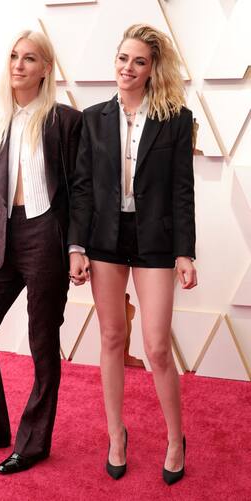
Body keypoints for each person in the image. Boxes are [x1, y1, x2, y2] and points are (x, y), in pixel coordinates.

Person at [0, 29, 81, 475]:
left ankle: (34, 443)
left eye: (29, 58)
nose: (18, 64)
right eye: (13, 56)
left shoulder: (64, 120)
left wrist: (76, 245)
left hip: (47, 236)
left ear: (46, 68)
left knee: (43, 342)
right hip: (4, 238)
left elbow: (81, 192)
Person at [68, 24, 197, 484]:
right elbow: (82, 187)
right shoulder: (93, 117)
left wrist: (185, 253)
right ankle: (116, 434)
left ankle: (176, 438)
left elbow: (183, 191)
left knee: (157, 347)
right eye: (123, 58)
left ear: (151, 69)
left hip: (156, 241)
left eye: (138, 61)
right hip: (104, 238)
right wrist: (76, 245)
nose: (128, 67)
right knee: (110, 338)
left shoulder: (177, 119)